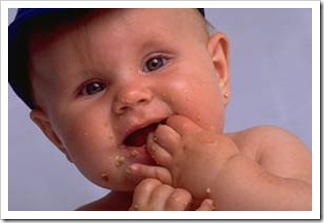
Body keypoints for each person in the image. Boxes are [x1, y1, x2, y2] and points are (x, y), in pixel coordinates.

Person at [8, 8, 312, 211]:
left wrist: (224, 177)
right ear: (56, 136)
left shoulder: (264, 150)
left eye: (155, 63)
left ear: (218, 70)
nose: (130, 95)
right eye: (93, 87)